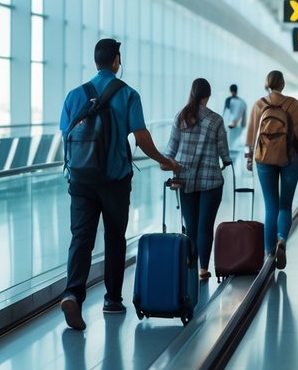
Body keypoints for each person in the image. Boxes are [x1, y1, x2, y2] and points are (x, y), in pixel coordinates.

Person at [58, 38, 176, 330]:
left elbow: (65, 134)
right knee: (114, 237)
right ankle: (112, 299)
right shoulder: (127, 94)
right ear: (116, 61)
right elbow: (141, 137)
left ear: (95, 61)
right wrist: (165, 160)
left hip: (81, 179)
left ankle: (73, 293)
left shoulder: (75, 95)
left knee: (81, 238)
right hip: (114, 179)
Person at [164, 78, 232, 281]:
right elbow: (224, 152)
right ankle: (203, 268)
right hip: (210, 180)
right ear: (207, 96)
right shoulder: (216, 120)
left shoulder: (181, 116)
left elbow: (171, 149)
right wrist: (227, 161)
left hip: (184, 178)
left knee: (190, 224)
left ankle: (190, 266)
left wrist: (169, 163)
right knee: (205, 225)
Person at [245, 70, 298, 270]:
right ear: (282, 84)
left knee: (270, 205)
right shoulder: (292, 103)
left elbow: (250, 134)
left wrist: (249, 157)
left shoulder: (259, 104)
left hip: (264, 159)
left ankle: (269, 252)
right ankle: (282, 239)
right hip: (290, 157)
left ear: (267, 84)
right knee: (285, 205)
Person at [222, 84, 247, 155]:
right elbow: (244, 118)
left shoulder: (229, 100)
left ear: (230, 90)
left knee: (230, 147)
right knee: (235, 148)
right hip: (238, 128)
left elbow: (226, 113)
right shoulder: (242, 102)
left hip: (230, 127)